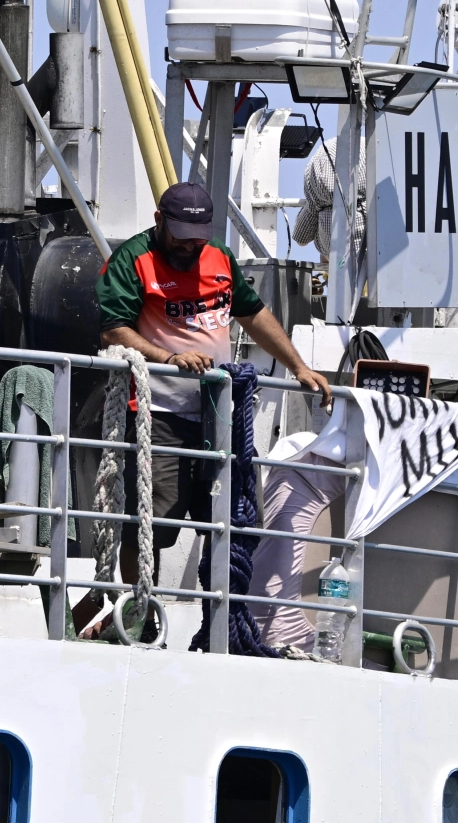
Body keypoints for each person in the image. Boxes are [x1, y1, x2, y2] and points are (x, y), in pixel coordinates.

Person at [96, 180, 329, 553]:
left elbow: (253, 314)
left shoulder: (219, 257)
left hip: (220, 415)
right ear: (159, 220)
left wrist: (298, 366)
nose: (189, 246)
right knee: (147, 530)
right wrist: (170, 359)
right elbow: (113, 332)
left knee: (231, 522)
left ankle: (219, 610)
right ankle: (141, 609)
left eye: (197, 238)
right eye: (181, 236)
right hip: (159, 419)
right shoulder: (132, 260)